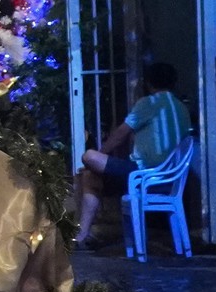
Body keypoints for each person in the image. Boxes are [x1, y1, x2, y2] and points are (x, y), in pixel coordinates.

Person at [74, 61, 190, 246]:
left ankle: (82, 234)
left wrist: (100, 155)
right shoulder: (181, 108)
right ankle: (82, 235)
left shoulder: (149, 103)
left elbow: (121, 134)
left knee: (89, 157)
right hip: (169, 179)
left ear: (149, 84)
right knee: (90, 177)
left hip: (145, 176)